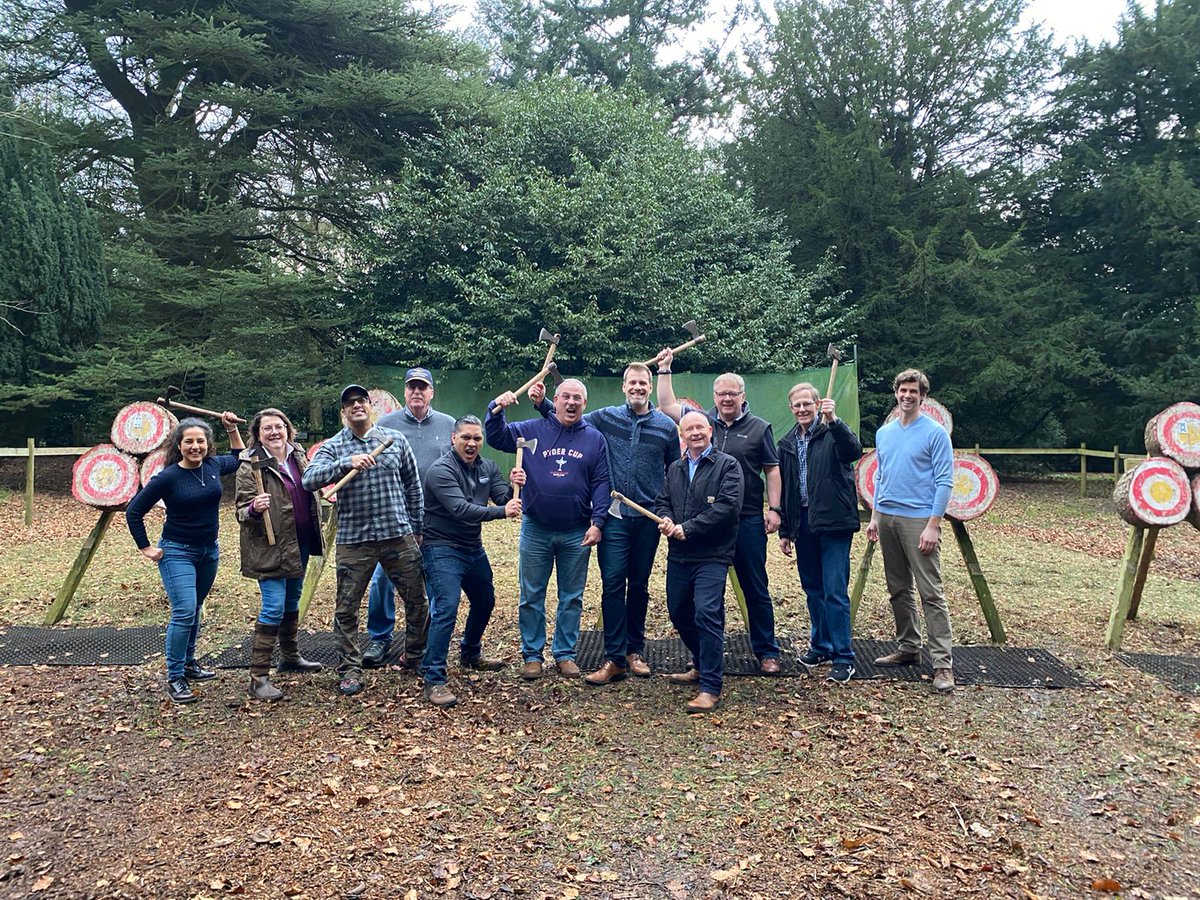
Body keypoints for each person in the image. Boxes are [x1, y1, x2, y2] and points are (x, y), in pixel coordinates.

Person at [527, 362, 678, 685]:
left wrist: (671, 513)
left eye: (643, 383)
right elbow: (568, 419)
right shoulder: (604, 419)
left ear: (650, 387)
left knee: (638, 585)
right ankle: (613, 658)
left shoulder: (665, 427)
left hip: (648, 519)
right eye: (632, 383)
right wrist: (541, 404)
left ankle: (634, 651)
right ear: (623, 387)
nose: (637, 388)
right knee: (612, 584)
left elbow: (675, 473)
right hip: (614, 518)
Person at [656, 349, 784, 673]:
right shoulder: (702, 421)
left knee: (754, 585)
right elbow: (668, 405)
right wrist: (666, 368)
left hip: (747, 519)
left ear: (743, 395)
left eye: (733, 393)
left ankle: (766, 651)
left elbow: (771, 469)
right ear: (713, 396)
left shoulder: (759, 427)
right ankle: (708, 656)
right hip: (702, 525)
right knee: (706, 595)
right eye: (721, 393)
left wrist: (775, 509)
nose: (727, 398)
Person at [301, 384, 426, 696]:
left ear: (371, 407)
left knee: (417, 601)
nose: (357, 405)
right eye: (350, 403)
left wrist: (418, 527)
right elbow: (308, 480)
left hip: (397, 533)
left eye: (361, 401)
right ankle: (350, 669)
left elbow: (413, 486)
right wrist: (346, 462)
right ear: (344, 412)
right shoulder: (334, 446)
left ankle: (414, 657)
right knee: (346, 608)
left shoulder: (394, 440)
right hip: (354, 540)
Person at [484, 378, 609, 680]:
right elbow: (497, 436)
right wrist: (496, 408)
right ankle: (532, 655)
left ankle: (565, 654)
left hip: (576, 531)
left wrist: (598, 522)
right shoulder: (531, 432)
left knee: (571, 596)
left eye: (577, 398)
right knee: (531, 594)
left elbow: (602, 482)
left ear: (585, 404)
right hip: (536, 527)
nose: (571, 403)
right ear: (556, 399)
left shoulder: (594, 439)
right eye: (565, 397)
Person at [126, 411, 245, 704]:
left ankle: (190, 663)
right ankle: (175, 676)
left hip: (209, 550)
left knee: (195, 608)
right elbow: (134, 511)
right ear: (178, 445)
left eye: (201, 441)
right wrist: (145, 547)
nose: (195, 447)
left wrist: (230, 428)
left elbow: (241, 457)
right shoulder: (168, 477)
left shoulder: (214, 466)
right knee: (184, 609)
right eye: (189, 441)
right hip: (177, 551)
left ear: (207, 444)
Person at [420, 415, 522, 707]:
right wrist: (502, 512)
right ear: (453, 438)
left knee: (485, 601)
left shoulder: (487, 467)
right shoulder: (440, 471)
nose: (472, 443)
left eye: (477, 438)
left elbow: (503, 496)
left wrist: (517, 486)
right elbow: (460, 509)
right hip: (441, 548)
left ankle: (470, 653)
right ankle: (434, 678)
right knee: (446, 608)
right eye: (466, 437)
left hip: (472, 548)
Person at [865, 369, 956, 694]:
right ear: (895, 393)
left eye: (913, 391)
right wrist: (875, 516)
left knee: (930, 592)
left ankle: (943, 664)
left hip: (920, 520)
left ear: (922, 396)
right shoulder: (885, 433)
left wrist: (933, 524)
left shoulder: (935, 434)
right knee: (898, 587)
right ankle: (908, 647)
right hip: (887, 516)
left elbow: (945, 481)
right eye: (902, 390)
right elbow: (881, 476)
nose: (907, 395)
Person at [364, 367, 455, 669]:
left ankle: (425, 641)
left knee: (431, 582)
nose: (417, 392)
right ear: (404, 392)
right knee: (382, 581)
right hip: (392, 517)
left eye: (423, 387)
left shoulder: (448, 424)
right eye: (412, 387)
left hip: (436, 519)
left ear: (432, 392)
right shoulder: (385, 425)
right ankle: (380, 638)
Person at [654, 411, 744, 713]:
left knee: (707, 612)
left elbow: (728, 508)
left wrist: (688, 528)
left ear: (709, 430)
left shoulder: (727, 466)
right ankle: (702, 660)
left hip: (712, 554)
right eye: (688, 429)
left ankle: (710, 686)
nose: (694, 433)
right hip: (679, 554)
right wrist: (666, 518)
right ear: (682, 435)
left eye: (699, 427)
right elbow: (663, 499)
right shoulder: (675, 468)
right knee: (679, 612)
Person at [235, 408, 325, 701]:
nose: (274, 432)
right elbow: (240, 511)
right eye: (267, 429)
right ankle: (258, 677)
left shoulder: (299, 457)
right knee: (273, 606)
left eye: (279, 427)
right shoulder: (251, 465)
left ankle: (290, 657)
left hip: (298, 542)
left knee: (290, 602)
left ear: (288, 429)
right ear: (258, 434)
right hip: (270, 546)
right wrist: (253, 508)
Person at [778, 383, 863, 684]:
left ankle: (843, 656)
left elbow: (854, 451)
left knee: (834, 591)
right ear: (791, 408)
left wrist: (835, 421)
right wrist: (786, 530)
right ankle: (821, 646)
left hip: (834, 521)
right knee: (813, 588)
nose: (802, 409)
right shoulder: (787, 442)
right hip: (802, 522)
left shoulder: (833, 432)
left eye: (807, 404)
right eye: (796, 405)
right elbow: (787, 488)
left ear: (817, 404)